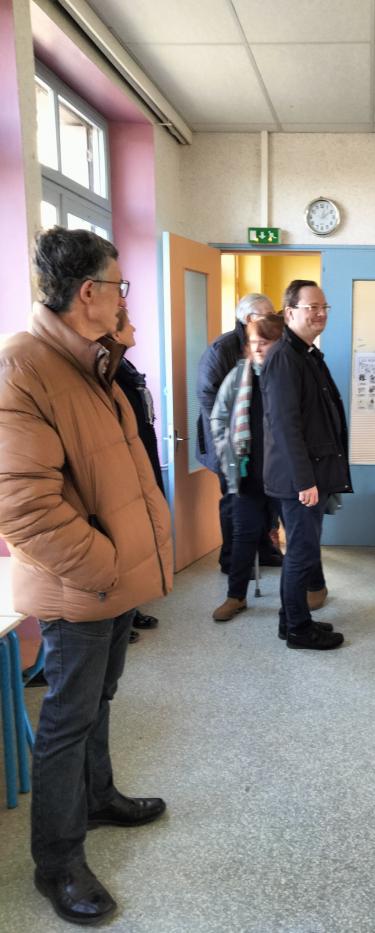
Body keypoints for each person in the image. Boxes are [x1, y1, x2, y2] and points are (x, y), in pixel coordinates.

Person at [0, 227, 173, 925]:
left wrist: (117, 343)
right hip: (83, 586)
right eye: (119, 284)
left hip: (112, 584)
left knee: (99, 698)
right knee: (66, 720)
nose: (124, 297)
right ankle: (58, 861)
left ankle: (99, 797)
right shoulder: (25, 367)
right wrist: (107, 566)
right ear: (88, 293)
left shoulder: (86, 360)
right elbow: (24, 508)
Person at [262, 280, 352, 650]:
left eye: (324, 307)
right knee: (300, 552)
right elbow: (285, 425)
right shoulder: (285, 357)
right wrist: (305, 480)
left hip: (309, 473)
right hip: (299, 478)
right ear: (290, 313)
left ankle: (292, 620)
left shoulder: (306, 354)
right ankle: (298, 630)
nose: (319, 313)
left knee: (304, 549)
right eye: (311, 307)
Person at [196, 293, 283, 573]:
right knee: (235, 500)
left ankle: (265, 551)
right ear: (248, 319)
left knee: (266, 498)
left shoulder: (269, 342)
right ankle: (232, 560)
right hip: (228, 442)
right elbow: (208, 395)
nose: (273, 319)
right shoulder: (223, 347)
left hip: (261, 442)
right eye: (267, 314)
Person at [210, 311, 284, 621]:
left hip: (285, 476)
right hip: (247, 475)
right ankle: (235, 596)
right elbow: (218, 416)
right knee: (242, 536)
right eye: (253, 342)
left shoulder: (289, 376)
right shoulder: (238, 376)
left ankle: (304, 593)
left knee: (298, 534)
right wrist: (225, 450)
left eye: (265, 342)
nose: (258, 348)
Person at [112, 309, 163, 635]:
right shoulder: (108, 373)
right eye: (127, 322)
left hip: (144, 454)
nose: (134, 325)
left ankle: (130, 610)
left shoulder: (125, 366)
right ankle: (121, 615)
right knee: (125, 547)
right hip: (125, 470)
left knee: (138, 545)